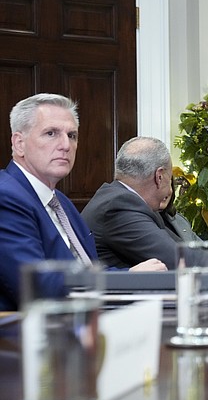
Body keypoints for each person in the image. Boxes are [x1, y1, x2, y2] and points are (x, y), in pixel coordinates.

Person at [0, 94, 165, 311]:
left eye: (72, 135)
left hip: (86, 319)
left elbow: (87, 270)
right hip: (33, 335)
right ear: (19, 144)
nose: (65, 145)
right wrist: (126, 281)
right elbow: (39, 286)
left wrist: (133, 275)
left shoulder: (62, 203)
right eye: (51, 133)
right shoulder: (6, 197)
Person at [82, 136, 208, 270]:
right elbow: (179, 259)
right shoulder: (119, 206)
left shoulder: (122, 200)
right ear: (160, 176)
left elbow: (184, 248)